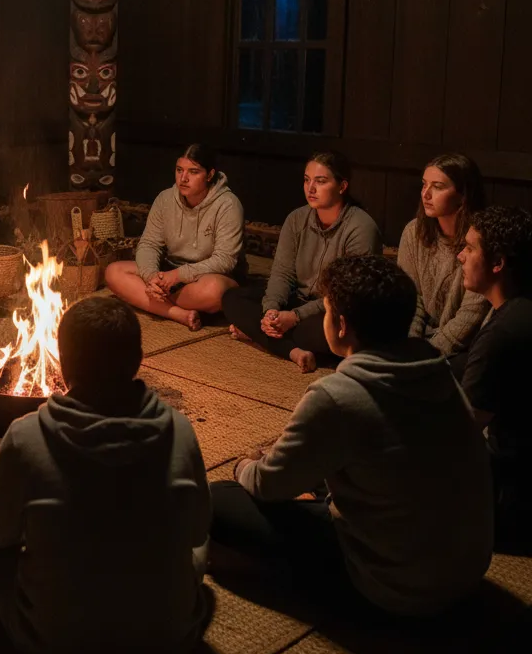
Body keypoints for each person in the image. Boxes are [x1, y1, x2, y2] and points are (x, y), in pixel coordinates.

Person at [211, 255, 492, 617]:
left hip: (394, 587)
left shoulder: (338, 395)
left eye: (326, 311)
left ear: (341, 325)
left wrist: (244, 466)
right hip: (465, 572)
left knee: (218, 500)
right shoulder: (439, 373)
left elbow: (268, 485)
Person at [0, 295, 212, 654]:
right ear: (138, 362)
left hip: (55, 646)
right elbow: (198, 532)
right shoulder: (180, 430)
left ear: (64, 365)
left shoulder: (27, 436)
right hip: (167, 642)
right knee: (197, 550)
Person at [223, 152, 381, 372]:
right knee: (233, 298)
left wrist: (295, 317)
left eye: (321, 181)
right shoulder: (297, 218)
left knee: (333, 333)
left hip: (333, 310)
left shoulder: (360, 227)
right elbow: (282, 273)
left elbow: (345, 294)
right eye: (307, 180)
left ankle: (259, 335)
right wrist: (271, 311)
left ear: (342, 186)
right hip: (296, 301)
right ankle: (293, 351)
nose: (311, 188)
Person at [105, 143, 244, 330]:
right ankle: (177, 313)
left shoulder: (228, 205)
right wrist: (151, 277)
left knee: (215, 292)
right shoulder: (165, 199)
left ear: (210, 175)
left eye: (193, 172)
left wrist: (178, 276)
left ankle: (154, 301)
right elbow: (149, 244)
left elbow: (225, 260)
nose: (183, 178)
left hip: (208, 276)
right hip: (169, 271)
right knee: (114, 272)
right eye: (179, 170)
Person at [458, 206, 532, 553]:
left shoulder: (501, 333)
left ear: (498, 263)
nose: (460, 256)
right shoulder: (520, 310)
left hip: (513, 499)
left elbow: (463, 429)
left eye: (470, 248)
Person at [398, 153, 489, 356]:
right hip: (419, 342)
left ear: (462, 195)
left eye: (438, 187)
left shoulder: (480, 239)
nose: (426, 194)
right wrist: (410, 348)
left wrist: (427, 355)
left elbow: (471, 315)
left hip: (463, 349)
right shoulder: (414, 232)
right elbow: (410, 299)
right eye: (424, 185)